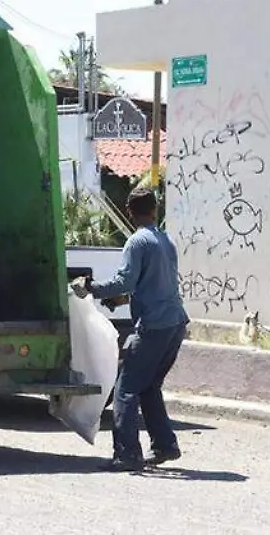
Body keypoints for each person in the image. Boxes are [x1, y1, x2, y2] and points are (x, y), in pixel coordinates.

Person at [72, 188, 190, 472]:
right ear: (154, 210)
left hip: (153, 326)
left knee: (125, 389)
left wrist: (91, 288)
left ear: (128, 210)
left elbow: (124, 281)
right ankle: (165, 445)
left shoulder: (137, 242)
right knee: (149, 386)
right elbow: (152, 284)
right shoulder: (164, 240)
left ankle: (127, 455)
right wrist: (123, 298)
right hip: (175, 324)